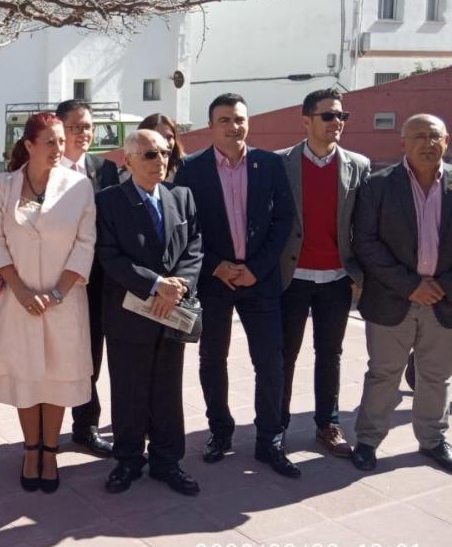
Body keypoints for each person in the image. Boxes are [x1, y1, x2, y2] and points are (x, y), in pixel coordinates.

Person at [174, 94, 300, 478]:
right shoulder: (191, 170)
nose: (234, 126)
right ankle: (220, 431)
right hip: (214, 282)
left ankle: (269, 440)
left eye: (240, 119)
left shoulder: (271, 164)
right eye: (225, 120)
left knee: (270, 361)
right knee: (213, 359)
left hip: (259, 280)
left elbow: (284, 220)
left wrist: (256, 269)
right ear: (211, 126)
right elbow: (187, 229)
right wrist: (217, 267)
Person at [0, 112, 96, 493]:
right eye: (50, 142)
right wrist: (21, 290)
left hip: (64, 301)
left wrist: (57, 293)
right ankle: (31, 451)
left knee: (58, 376)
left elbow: (85, 245)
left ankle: (51, 451)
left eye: (62, 142)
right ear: (29, 145)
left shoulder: (79, 186)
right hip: (19, 301)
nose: (58, 149)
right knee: (26, 376)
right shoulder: (1, 185)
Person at [97, 129, 203, 496]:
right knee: (129, 390)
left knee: (167, 391)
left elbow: (194, 248)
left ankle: (167, 461)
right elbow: (108, 255)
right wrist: (156, 283)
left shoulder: (182, 197)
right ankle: (128, 460)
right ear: (128, 161)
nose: (159, 161)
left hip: (172, 314)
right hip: (130, 316)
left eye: (163, 153)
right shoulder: (108, 202)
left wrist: (180, 286)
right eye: (149, 155)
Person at [350, 114, 452, 473]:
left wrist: (439, 287)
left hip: (444, 300)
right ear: (403, 143)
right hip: (393, 298)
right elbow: (365, 241)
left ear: (446, 140)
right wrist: (411, 286)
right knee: (383, 373)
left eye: (434, 136)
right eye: (419, 136)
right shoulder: (378, 186)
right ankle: (367, 440)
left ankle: (433, 439)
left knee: (436, 375)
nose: (428, 143)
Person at [277, 89, 370, 458]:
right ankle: (276, 424)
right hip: (292, 277)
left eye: (342, 117)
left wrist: (360, 274)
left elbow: (363, 226)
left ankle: (327, 424)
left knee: (330, 353)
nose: (337, 123)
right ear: (306, 121)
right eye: (329, 116)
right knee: (284, 354)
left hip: (336, 278)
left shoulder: (358, 165)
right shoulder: (280, 164)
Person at [55, 99, 120, 457]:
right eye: (76, 126)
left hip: (101, 280)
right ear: (60, 129)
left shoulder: (105, 170)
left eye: (88, 127)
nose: (83, 133)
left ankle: (86, 426)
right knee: (61, 355)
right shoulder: (45, 171)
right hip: (58, 280)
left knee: (93, 355)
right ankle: (47, 427)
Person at [138, 113, 186, 179]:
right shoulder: (126, 176)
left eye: (169, 137)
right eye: (159, 137)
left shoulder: (186, 168)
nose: (165, 143)